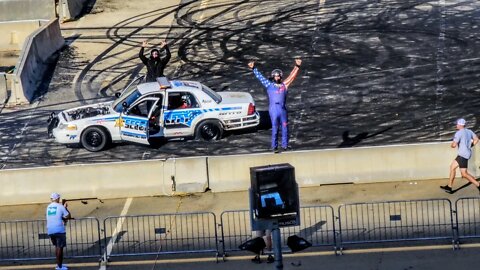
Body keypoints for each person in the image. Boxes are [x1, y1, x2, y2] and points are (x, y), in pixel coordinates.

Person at [248, 59, 302, 152]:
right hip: (273, 109)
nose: (277, 78)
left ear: (281, 77)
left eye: (278, 76)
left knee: (285, 128)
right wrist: (254, 68)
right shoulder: (269, 85)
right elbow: (260, 77)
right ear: (273, 77)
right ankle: (274, 147)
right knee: (275, 128)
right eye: (275, 76)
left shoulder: (284, 85)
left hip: (282, 109)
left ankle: (285, 145)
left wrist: (297, 66)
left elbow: (292, 76)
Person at [440, 118, 480, 194]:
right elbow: (477, 139)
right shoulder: (469, 131)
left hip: (462, 155)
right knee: (452, 167)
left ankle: (478, 185)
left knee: (464, 174)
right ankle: (449, 187)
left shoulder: (458, 133)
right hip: (464, 154)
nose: (456, 125)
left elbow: (454, 145)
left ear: (460, 125)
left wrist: (452, 145)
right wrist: (470, 146)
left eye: (457, 124)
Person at [46, 193, 71, 270]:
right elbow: (68, 216)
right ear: (57, 199)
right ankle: (60, 267)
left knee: (57, 247)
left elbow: (55, 216)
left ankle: (59, 265)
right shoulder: (60, 206)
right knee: (60, 248)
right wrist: (65, 208)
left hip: (50, 230)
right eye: (58, 198)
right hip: (59, 230)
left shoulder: (48, 207)